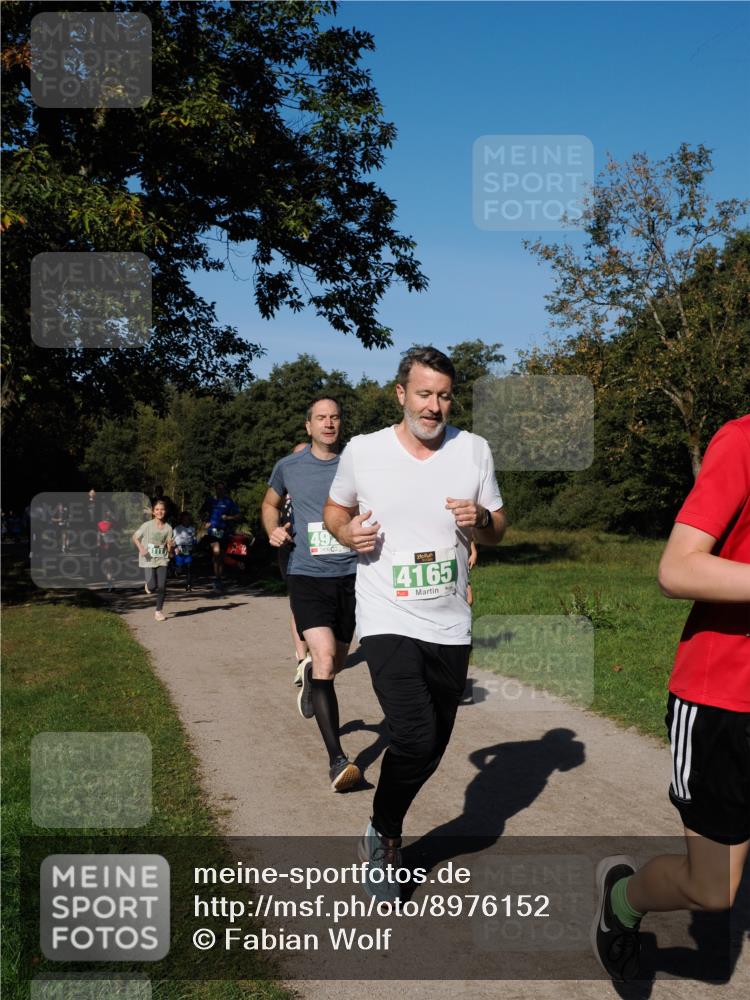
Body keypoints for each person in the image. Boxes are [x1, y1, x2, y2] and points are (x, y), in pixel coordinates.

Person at [324, 346, 506, 901]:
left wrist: (481, 522)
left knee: (432, 745)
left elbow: (498, 525)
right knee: (415, 732)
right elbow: (335, 509)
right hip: (386, 614)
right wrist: (344, 532)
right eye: (424, 394)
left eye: (444, 396)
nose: (434, 406)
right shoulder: (363, 451)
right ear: (401, 394)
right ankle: (386, 834)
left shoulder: (472, 450)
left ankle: (381, 827)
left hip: (449, 621)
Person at [591, 414, 750, 982]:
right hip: (725, 704)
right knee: (713, 891)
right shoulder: (742, 441)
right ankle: (622, 901)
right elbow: (676, 568)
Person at [262, 398, 361, 792]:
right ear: (309, 426)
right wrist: (273, 528)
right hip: (307, 574)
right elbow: (269, 504)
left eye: (335, 417)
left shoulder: (357, 464)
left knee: (335, 662)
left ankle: (312, 679)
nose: (329, 423)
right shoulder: (289, 467)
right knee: (322, 658)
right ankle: (337, 758)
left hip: (352, 576)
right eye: (321, 418)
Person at [277, 443, 311, 684]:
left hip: (321, 553)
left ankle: (313, 650)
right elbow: (269, 508)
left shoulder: (327, 480)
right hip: (289, 550)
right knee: (297, 602)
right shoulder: (283, 483)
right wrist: (275, 529)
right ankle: (302, 660)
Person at [132, 498, 174, 621]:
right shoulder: (146, 525)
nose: (159, 512)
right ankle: (149, 585)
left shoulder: (168, 528)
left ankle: (158, 611)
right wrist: (141, 548)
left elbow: (170, 551)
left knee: (162, 586)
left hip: (162, 558)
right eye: (157, 509)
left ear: (165, 511)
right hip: (148, 558)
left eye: (162, 509)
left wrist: (171, 547)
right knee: (152, 586)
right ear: (153, 512)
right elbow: (135, 537)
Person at [200, 481, 241, 593]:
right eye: (218, 488)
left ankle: (219, 579)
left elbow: (238, 516)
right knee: (216, 552)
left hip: (224, 532)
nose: (220, 490)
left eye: (222, 488)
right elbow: (202, 512)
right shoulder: (210, 500)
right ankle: (217, 579)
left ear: (225, 490)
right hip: (213, 531)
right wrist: (205, 521)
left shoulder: (229, 501)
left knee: (221, 556)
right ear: (215, 489)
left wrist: (228, 517)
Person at [172, 510, 197, 592]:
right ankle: (176, 570)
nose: (186, 521)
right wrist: (175, 548)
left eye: (188, 519)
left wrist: (194, 546)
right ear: (181, 520)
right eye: (184, 519)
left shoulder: (192, 529)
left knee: (189, 568)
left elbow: (194, 539)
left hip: (188, 551)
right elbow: (172, 540)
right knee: (180, 570)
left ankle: (188, 585)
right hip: (179, 551)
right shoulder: (177, 529)